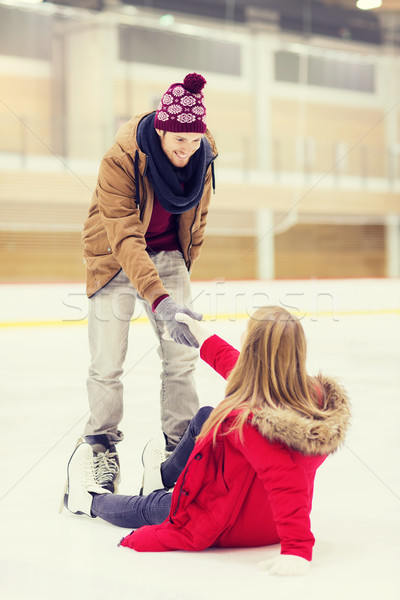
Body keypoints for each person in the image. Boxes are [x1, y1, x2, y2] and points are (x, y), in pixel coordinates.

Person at [64, 306, 351, 576]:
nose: (241, 337)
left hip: (227, 522)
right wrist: (201, 336)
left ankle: (87, 500)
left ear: (253, 349)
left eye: (246, 333)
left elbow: (285, 481)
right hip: (265, 519)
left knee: (150, 506)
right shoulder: (310, 394)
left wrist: (297, 550)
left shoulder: (251, 421)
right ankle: (162, 475)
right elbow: (239, 367)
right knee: (205, 416)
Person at [80, 72, 218, 492]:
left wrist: (179, 271)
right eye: (179, 139)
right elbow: (124, 235)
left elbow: (199, 218)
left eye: (194, 140)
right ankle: (101, 446)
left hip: (168, 256)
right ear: (161, 128)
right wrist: (159, 298)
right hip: (113, 257)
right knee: (107, 362)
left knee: (181, 357)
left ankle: (180, 450)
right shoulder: (120, 159)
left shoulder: (203, 157)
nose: (186, 148)